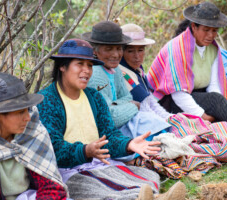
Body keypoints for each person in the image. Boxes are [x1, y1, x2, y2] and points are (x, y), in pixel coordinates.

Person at [37, 38, 186, 200]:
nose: (86, 70)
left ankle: (148, 197)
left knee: (147, 176)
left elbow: (110, 135)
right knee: (93, 187)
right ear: (62, 67)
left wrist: (129, 144)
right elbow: (54, 150)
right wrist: (86, 150)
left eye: (89, 65)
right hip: (69, 170)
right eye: (80, 64)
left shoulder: (94, 97)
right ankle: (149, 197)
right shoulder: (47, 100)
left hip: (99, 163)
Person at [147, 1, 227, 130]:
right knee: (216, 101)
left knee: (218, 104)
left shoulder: (213, 49)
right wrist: (203, 116)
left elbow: (213, 85)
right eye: (206, 30)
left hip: (197, 97)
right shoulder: (177, 48)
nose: (210, 35)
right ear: (194, 27)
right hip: (169, 102)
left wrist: (218, 112)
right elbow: (178, 94)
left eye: (214, 30)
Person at [84, 21, 172, 161]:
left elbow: (125, 96)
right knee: (149, 127)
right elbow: (110, 117)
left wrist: (117, 105)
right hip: (106, 132)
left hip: (122, 120)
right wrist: (132, 106)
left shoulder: (115, 70)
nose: (115, 54)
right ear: (95, 51)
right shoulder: (95, 74)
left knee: (153, 125)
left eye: (119, 49)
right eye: (108, 49)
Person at [119, 23, 172, 120]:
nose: (137, 56)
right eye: (130, 51)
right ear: (121, 52)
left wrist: (169, 118)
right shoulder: (124, 74)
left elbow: (150, 101)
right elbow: (145, 108)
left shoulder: (138, 70)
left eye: (140, 50)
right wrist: (165, 122)